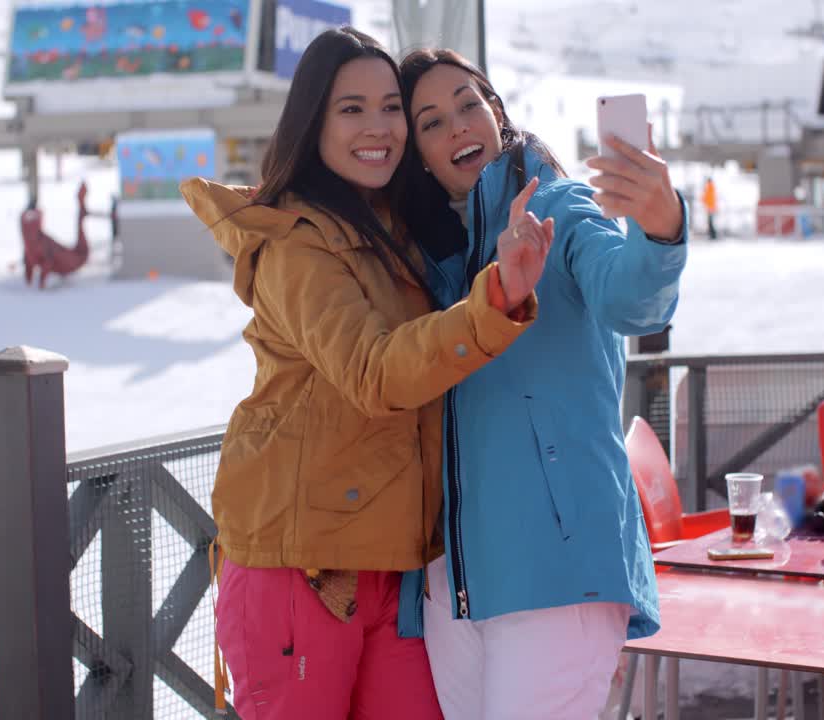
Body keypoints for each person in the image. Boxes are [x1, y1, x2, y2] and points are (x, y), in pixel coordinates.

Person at [178, 28, 552, 720]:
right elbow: (373, 371)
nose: (379, 128)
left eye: (391, 109)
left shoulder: (391, 231)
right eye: (352, 109)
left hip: (389, 565)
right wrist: (493, 303)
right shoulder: (299, 244)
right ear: (312, 121)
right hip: (301, 566)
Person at [397, 48, 687, 719]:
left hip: (556, 570)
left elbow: (626, 298)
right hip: (455, 583)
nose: (458, 127)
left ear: (497, 113)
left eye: (469, 104)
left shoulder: (557, 206)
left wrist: (659, 225)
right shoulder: (429, 252)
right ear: (419, 152)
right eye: (432, 122)